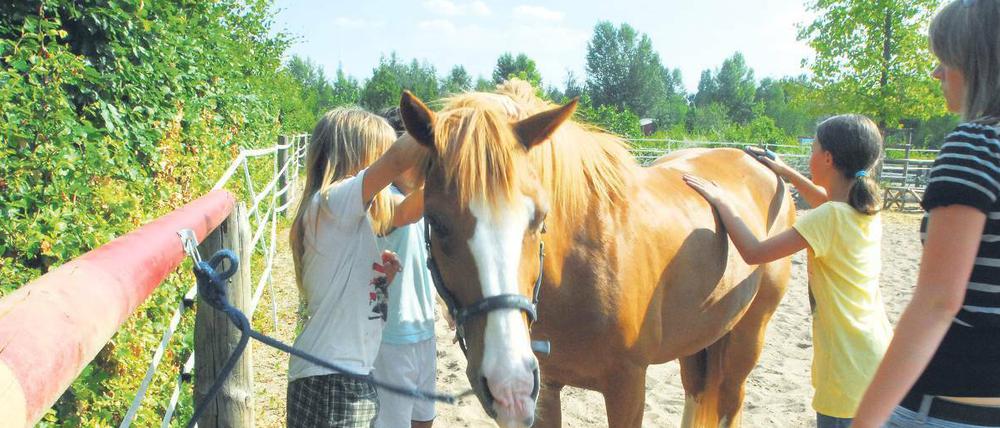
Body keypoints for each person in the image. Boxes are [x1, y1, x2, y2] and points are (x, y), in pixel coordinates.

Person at [683, 114, 891, 428]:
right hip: (876, 354)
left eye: (813, 149)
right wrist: (787, 172)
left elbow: (754, 253)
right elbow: (825, 200)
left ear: (827, 158)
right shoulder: (866, 209)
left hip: (846, 366)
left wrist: (724, 202)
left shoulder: (827, 219)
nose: (810, 157)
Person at [852, 0, 1000, 426]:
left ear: (978, 63)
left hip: (953, 401)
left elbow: (939, 301)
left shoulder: (975, 145)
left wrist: (865, 421)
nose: (937, 74)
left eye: (945, 60)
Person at [287, 107, 425, 428]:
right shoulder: (333, 202)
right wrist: (454, 135)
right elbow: (396, 161)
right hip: (332, 379)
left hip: (348, 374)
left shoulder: (345, 216)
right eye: (382, 154)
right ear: (360, 157)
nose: (392, 177)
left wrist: (380, 284)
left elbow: (408, 211)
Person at [371, 107, 438, 428]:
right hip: (393, 338)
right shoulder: (384, 200)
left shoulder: (415, 202)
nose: (425, 165)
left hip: (424, 330)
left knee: (424, 420)